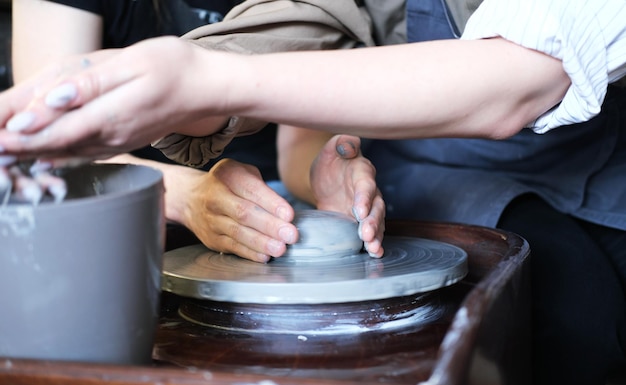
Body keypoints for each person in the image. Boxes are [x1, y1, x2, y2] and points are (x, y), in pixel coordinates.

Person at [0, 0, 624, 385]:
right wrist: (192, 192)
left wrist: (202, 81)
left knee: (572, 305)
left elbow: (521, 78)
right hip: (128, 202)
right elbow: (52, 145)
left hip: (540, 122)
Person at [8, 0, 384, 261]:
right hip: (112, 203)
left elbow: (298, 141)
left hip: (268, 212)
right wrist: (186, 195)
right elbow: (50, 148)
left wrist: (322, 174)